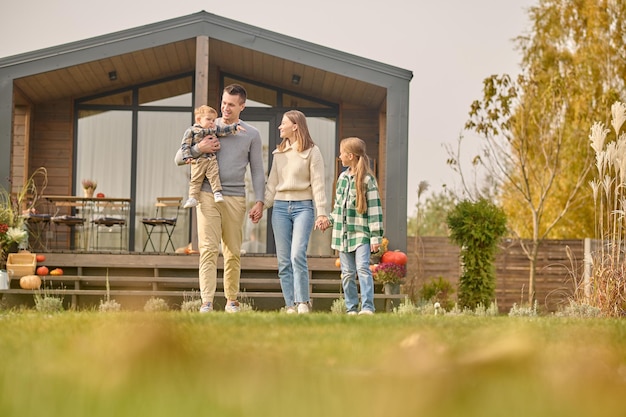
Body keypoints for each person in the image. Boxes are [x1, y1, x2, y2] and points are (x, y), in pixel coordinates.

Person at [176, 84, 265, 313]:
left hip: (235, 197)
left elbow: (256, 170)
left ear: (242, 107)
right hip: (206, 194)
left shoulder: (251, 134)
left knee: (233, 251)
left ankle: (231, 300)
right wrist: (198, 148)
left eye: (231, 105)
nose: (225, 108)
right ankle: (206, 301)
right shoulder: (205, 126)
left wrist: (260, 201)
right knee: (207, 248)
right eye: (223, 102)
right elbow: (178, 157)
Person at [258, 110, 329, 314]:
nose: (280, 127)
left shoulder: (312, 152)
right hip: (279, 208)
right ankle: (290, 304)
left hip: (303, 207)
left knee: (297, 254)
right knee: (283, 260)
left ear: (295, 126)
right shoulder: (279, 154)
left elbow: (318, 184)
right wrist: (262, 206)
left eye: (283, 124)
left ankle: (303, 302)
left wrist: (321, 212)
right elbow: (271, 185)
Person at [328, 137, 383, 315]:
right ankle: (351, 308)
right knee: (348, 273)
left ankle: (367, 307)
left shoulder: (368, 181)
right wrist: (328, 220)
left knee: (362, 269)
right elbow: (338, 208)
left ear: (350, 156)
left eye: (342, 153)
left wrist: (375, 237)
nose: (339, 156)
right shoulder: (342, 178)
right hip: (343, 235)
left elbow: (375, 210)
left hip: (361, 234)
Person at [180, 105, 244, 209]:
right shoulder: (192, 131)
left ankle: (217, 193)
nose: (212, 122)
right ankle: (192, 197)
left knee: (214, 175)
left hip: (210, 159)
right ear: (198, 119)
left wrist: (234, 127)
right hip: (198, 161)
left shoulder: (214, 129)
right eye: (208, 119)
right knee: (195, 179)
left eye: (213, 120)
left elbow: (223, 130)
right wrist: (187, 156)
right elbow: (185, 145)